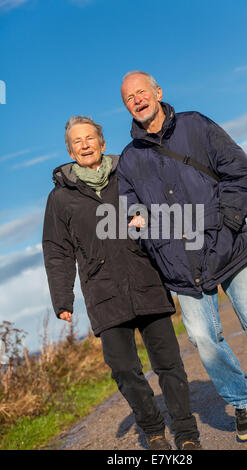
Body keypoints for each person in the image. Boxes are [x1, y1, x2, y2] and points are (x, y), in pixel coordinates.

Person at [117, 71, 247, 441]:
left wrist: (227, 222)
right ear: (126, 106)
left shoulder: (196, 125)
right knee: (204, 339)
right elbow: (129, 206)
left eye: (142, 92)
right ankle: (244, 399)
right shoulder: (129, 159)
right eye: (129, 97)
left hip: (227, 246)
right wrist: (138, 223)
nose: (137, 99)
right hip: (178, 263)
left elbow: (240, 171)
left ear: (158, 92)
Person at [42, 115, 201, 451]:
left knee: (169, 363)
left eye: (90, 138)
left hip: (147, 279)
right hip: (103, 295)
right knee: (124, 370)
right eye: (77, 142)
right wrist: (63, 300)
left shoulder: (128, 171)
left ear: (102, 143)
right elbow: (57, 251)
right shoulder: (59, 199)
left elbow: (160, 209)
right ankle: (154, 430)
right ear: (70, 151)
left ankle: (187, 434)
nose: (85, 145)